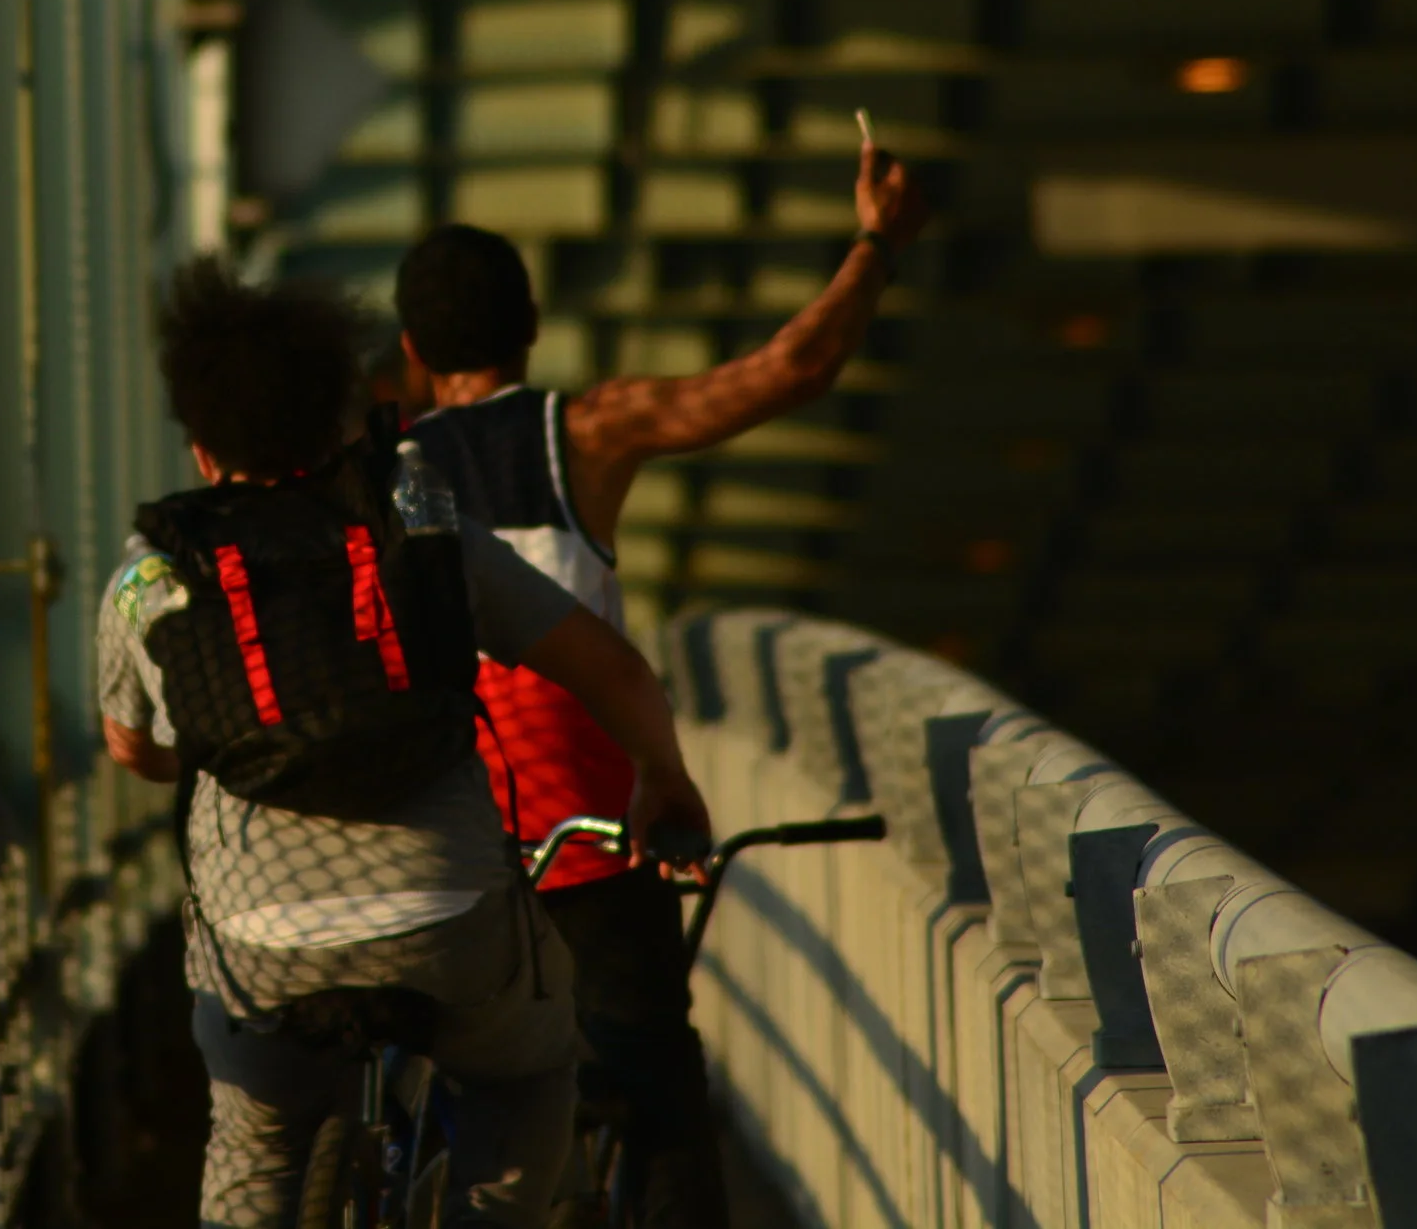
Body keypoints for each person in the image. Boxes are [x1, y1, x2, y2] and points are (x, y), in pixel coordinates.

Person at [98, 258, 710, 1229]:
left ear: (202, 448)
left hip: (260, 940)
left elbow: (134, 747)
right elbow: (612, 669)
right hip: (448, 908)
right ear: (343, 417)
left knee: (254, 1134)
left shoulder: (152, 572)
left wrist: (208, 746)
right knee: (527, 1070)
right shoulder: (415, 523)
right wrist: (662, 778)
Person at [397, 136, 930, 1229]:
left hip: (440, 848)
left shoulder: (377, 477)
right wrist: (876, 241)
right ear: (532, 324)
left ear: (410, 353)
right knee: (658, 1088)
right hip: (591, 834)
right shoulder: (585, 431)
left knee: (427, 1087)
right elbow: (791, 369)